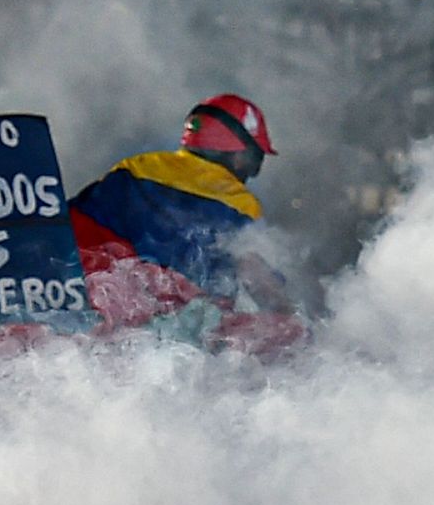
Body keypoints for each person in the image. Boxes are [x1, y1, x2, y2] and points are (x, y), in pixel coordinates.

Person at [69, 93, 303, 353]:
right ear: (241, 156)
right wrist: (289, 316)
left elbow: (76, 221)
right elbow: (257, 275)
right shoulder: (238, 202)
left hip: (95, 303)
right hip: (171, 330)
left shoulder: (136, 167)